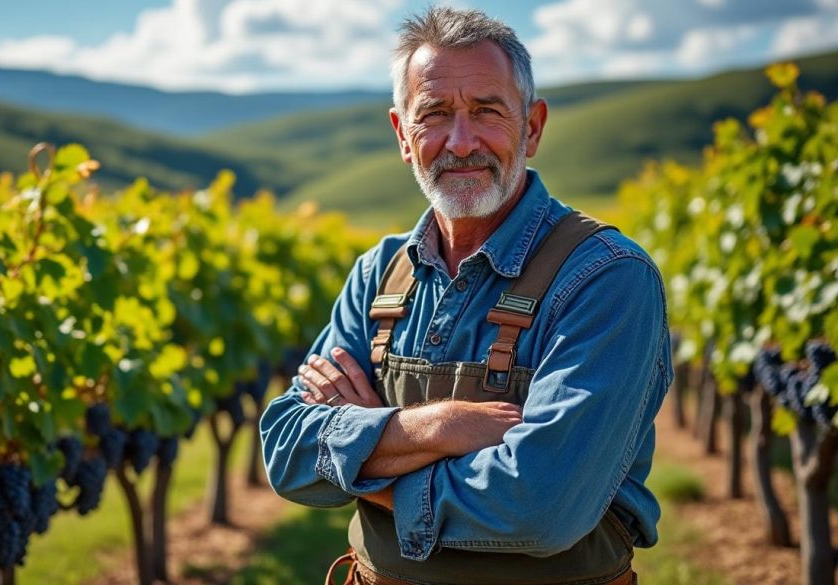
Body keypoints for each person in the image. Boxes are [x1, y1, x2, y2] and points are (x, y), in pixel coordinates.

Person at [259, 7, 671, 585]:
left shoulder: (606, 277)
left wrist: (363, 445)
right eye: (433, 114)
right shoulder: (379, 273)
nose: (461, 141)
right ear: (403, 136)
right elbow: (285, 450)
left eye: (486, 110)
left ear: (532, 127)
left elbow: (539, 507)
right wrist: (439, 426)